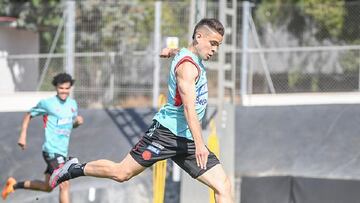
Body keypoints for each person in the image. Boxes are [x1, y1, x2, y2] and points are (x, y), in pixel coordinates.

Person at [50, 18, 233, 203]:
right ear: (198, 37)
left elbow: (183, 51)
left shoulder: (189, 55)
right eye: (213, 43)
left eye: (218, 45)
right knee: (122, 173)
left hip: (187, 137)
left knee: (223, 186)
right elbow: (188, 108)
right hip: (166, 134)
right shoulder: (187, 68)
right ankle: (74, 168)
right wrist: (200, 145)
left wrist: (171, 51)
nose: (215, 50)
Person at [1, 73, 84, 203]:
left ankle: (13, 185)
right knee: (65, 183)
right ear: (56, 87)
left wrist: (76, 123)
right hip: (51, 150)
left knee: (48, 187)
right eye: (61, 88)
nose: (64, 91)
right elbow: (29, 115)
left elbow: (69, 125)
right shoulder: (47, 104)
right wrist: (23, 135)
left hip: (62, 151)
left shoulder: (73, 104)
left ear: (70, 88)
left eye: (66, 88)